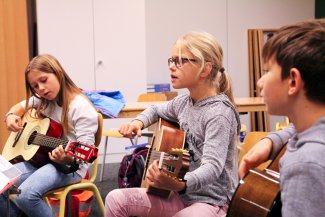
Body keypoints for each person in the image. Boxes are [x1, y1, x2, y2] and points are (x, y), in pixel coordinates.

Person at [105, 31, 241, 217]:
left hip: (213, 202)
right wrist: (138, 122)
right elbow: (154, 109)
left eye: (181, 61)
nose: (172, 67)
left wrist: (181, 183)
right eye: (172, 60)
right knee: (115, 199)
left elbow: (212, 167)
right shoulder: (183, 103)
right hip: (180, 196)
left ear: (205, 69)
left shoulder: (219, 113)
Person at [238, 19, 325, 217]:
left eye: (267, 71)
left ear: (293, 81)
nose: (260, 82)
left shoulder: (305, 165)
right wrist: (271, 141)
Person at [0, 54, 99, 217]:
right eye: (35, 86)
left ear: (58, 72)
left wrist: (66, 158)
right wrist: (10, 115)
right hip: (39, 159)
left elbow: (84, 156)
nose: (41, 89)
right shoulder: (43, 100)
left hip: (69, 168)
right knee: (1, 182)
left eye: (44, 80)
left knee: (25, 196)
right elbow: (19, 107)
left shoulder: (80, 108)